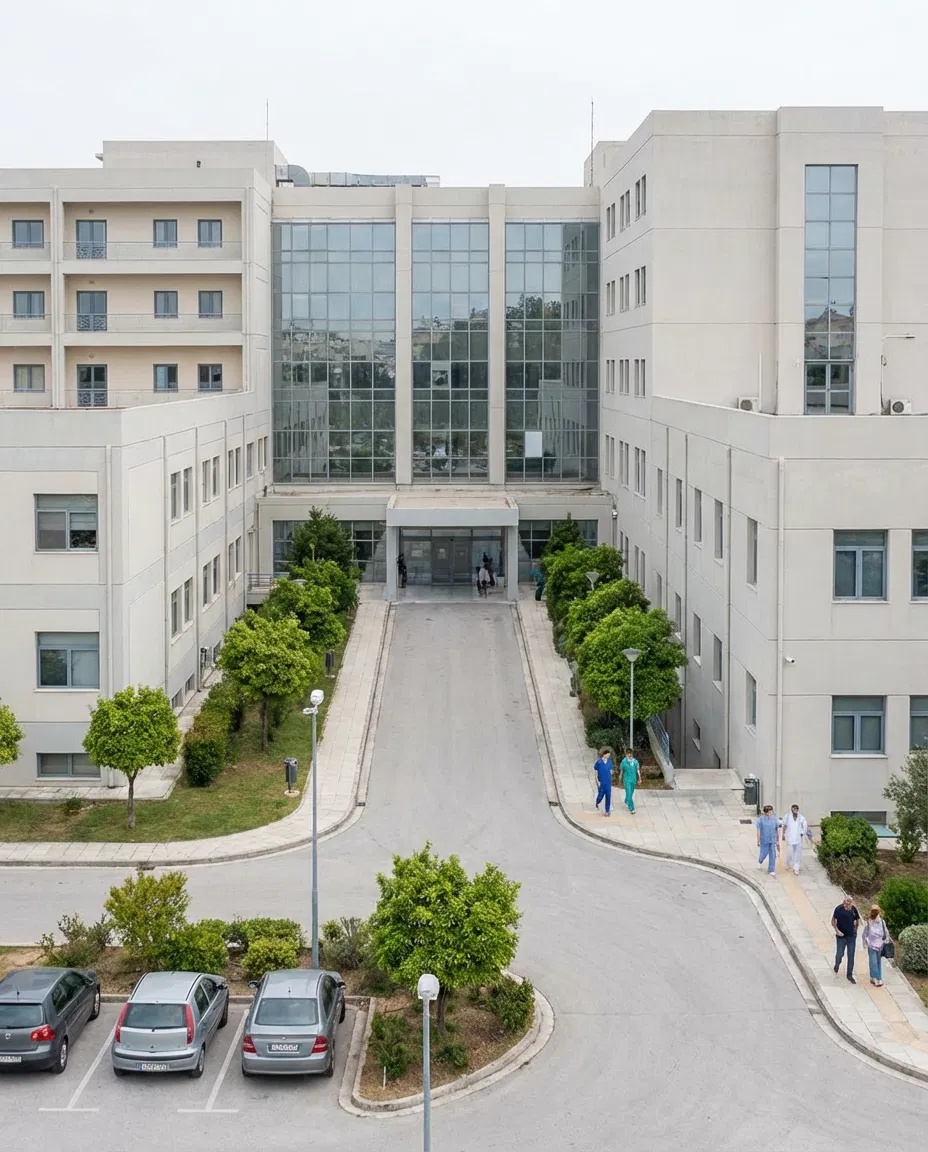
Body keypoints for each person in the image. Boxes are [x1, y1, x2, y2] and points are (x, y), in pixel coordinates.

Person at [831, 895, 860, 984]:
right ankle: (837, 964)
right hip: (841, 936)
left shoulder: (854, 910)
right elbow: (833, 921)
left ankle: (849, 975)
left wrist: (855, 931)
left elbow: (857, 921)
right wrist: (837, 930)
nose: (848, 906)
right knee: (840, 953)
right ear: (844, 903)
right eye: (847, 904)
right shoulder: (838, 909)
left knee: (851, 956)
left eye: (850, 904)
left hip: (851, 936)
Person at [861, 905, 891, 987]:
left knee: (878, 962)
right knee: (873, 962)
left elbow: (886, 932)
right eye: (874, 911)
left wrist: (886, 941)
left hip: (880, 945)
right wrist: (866, 942)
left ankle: (875, 977)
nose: (875, 913)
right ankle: (877, 979)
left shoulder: (882, 922)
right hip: (871, 945)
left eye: (876, 911)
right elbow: (865, 933)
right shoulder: (869, 922)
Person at [780, 803, 813, 875]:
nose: (795, 810)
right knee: (789, 852)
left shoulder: (801, 817)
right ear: (791, 809)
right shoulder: (787, 816)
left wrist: (803, 833)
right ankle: (787, 863)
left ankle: (796, 868)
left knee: (797, 854)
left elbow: (805, 826)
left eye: (796, 809)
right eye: (794, 809)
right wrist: (783, 834)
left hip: (798, 838)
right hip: (790, 838)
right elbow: (784, 825)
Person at [755, 804, 780, 876]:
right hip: (764, 839)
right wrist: (758, 840)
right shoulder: (761, 820)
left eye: (771, 811)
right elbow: (758, 830)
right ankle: (760, 861)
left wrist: (778, 839)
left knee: (773, 854)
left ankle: (771, 870)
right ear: (766, 812)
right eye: (769, 811)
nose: (771, 813)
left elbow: (778, 827)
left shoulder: (774, 818)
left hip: (772, 839)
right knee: (764, 853)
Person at [619, 748, 640, 813]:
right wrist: (620, 779)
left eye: (630, 754)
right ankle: (632, 808)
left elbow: (637, 770)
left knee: (631, 793)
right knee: (629, 793)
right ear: (626, 754)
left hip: (633, 780)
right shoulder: (624, 762)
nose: (629, 755)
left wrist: (640, 778)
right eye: (628, 754)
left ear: (632, 754)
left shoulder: (635, 762)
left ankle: (626, 800)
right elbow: (621, 771)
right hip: (626, 780)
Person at [593, 749, 613, 816]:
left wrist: (611, 773)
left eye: (609, 755)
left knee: (608, 797)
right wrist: (597, 781)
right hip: (601, 782)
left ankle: (607, 811)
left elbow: (611, 770)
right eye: (608, 755)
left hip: (608, 783)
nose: (609, 756)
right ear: (604, 754)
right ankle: (597, 802)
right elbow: (596, 772)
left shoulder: (609, 762)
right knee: (600, 796)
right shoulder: (598, 762)